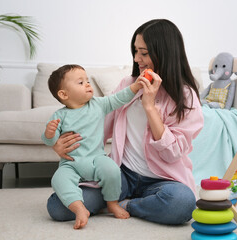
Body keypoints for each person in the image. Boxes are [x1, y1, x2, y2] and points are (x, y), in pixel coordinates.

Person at [47, 19, 204, 225]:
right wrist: (60, 145)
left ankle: (126, 205)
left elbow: (172, 153)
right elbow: (97, 127)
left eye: (144, 53)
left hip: (163, 180)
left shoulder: (186, 96)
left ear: (165, 53)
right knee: (58, 207)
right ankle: (122, 200)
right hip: (121, 174)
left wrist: (149, 108)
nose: (137, 58)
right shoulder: (129, 85)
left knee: (182, 204)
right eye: (135, 51)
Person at [42, 64, 145, 229]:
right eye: (81, 82)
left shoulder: (98, 104)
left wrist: (136, 86)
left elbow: (119, 98)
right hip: (71, 164)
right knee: (58, 179)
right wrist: (49, 133)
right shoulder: (59, 116)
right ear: (64, 94)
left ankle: (112, 203)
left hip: (97, 159)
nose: (88, 84)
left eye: (87, 80)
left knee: (111, 170)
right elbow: (51, 141)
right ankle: (79, 208)